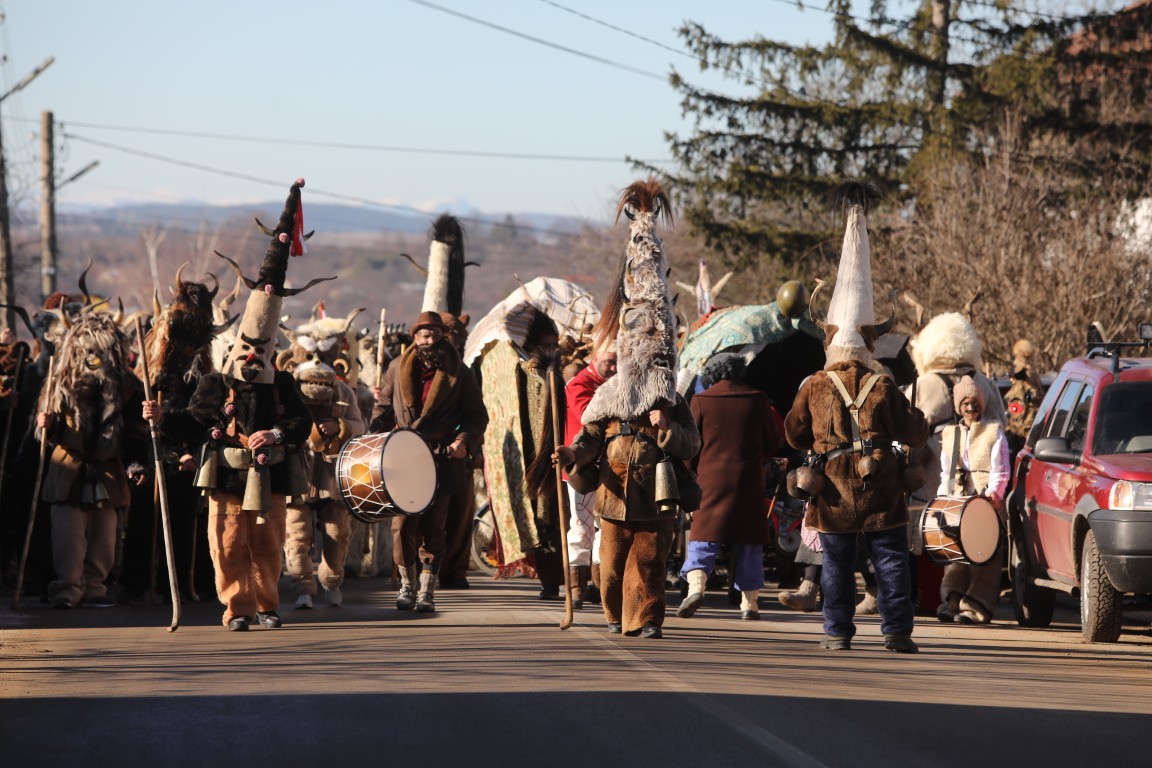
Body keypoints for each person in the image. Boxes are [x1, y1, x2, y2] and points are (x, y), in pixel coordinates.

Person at [148, 179, 315, 631]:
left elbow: (303, 422)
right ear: (235, 347)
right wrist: (162, 419)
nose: (250, 358)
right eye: (245, 350)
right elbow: (194, 422)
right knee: (225, 543)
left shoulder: (280, 383)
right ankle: (236, 608)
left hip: (272, 472)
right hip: (225, 473)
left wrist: (276, 433)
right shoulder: (214, 382)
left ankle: (267, 606)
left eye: (258, 353)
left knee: (268, 541)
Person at [784, 182, 929, 653]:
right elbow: (915, 431)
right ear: (871, 344)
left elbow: (792, 433)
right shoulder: (884, 384)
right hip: (881, 484)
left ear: (829, 341)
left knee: (837, 563)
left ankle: (837, 633)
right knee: (890, 562)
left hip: (832, 488)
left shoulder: (814, 385)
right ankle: (897, 632)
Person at [554, 178, 701, 639]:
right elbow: (589, 437)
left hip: (657, 490)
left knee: (652, 558)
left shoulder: (671, 396)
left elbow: (691, 442)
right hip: (614, 489)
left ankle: (648, 618)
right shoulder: (608, 394)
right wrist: (572, 455)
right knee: (612, 564)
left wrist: (664, 430)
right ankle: (617, 614)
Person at [370, 310, 488, 614]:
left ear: (443, 336)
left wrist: (463, 442)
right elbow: (383, 409)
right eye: (424, 334)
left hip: (441, 456)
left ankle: (426, 590)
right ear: (414, 338)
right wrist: (372, 438)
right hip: (404, 455)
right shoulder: (396, 368)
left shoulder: (460, 373)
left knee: (435, 528)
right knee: (402, 525)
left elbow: (477, 416)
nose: (430, 340)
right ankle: (406, 585)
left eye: (436, 334)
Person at [36, 311, 138, 610]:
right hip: (68, 470)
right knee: (68, 537)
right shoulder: (60, 381)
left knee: (104, 537)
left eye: (99, 350)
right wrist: (46, 423)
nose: (93, 356)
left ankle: (95, 588)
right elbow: (48, 428)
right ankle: (68, 587)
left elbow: (134, 432)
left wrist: (138, 460)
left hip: (108, 470)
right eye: (88, 349)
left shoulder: (126, 385)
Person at [676, 353, 780, 621]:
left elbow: (691, 446)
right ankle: (750, 605)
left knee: (703, 536)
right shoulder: (757, 400)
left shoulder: (701, 400)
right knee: (750, 541)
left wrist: (689, 471)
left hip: (710, 480)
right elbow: (773, 442)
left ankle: (696, 588)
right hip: (748, 481)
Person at [278, 344, 366, 609]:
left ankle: (331, 579)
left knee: (337, 530)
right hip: (298, 471)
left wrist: (341, 426)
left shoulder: (344, 391)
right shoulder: (288, 390)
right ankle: (302, 586)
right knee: (296, 532)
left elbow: (360, 425)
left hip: (332, 473)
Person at [935, 376, 1010, 624]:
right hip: (958, 499)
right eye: (965, 402)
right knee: (955, 554)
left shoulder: (993, 431)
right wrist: (942, 499)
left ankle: (977, 604)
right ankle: (952, 599)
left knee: (984, 554)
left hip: (985, 500)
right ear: (959, 406)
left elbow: (1002, 469)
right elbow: (946, 472)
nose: (970, 407)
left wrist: (994, 495)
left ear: (982, 403)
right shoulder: (950, 434)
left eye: (974, 401)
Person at [562, 341, 617, 607]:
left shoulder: (617, 383)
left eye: (619, 362)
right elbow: (587, 416)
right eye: (609, 361)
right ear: (596, 359)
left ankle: (598, 584)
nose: (614, 368)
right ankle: (576, 586)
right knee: (582, 527)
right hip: (582, 469)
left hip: (613, 467)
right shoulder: (579, 384)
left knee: (605, 527)